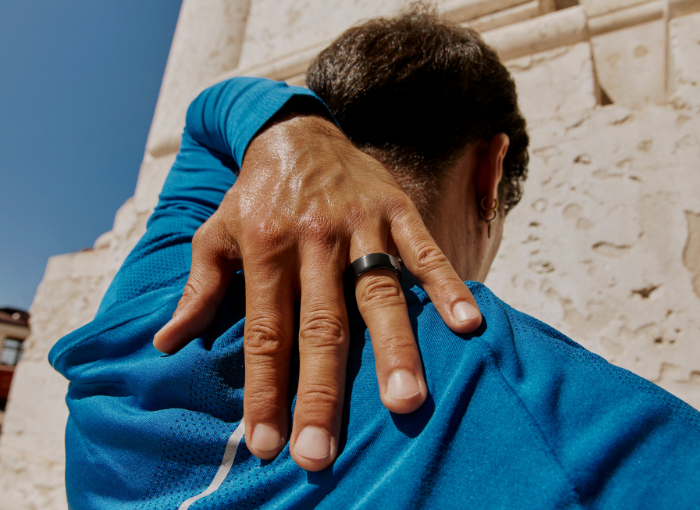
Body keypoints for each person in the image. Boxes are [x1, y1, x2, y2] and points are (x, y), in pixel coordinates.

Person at [50, 9, 700, 509]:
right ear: (490, 173)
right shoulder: (554, 413)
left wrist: (289, 129)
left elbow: (209, 112)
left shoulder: (158, 291)